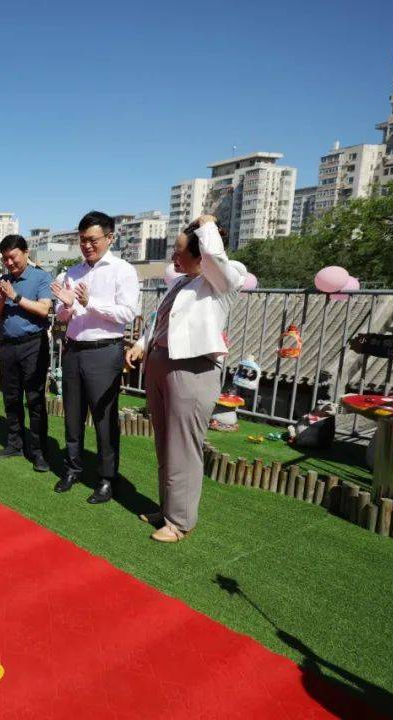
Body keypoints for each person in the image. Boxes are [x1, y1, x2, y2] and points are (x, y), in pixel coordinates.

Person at [125, 216, 243, 542]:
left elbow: (218, 262)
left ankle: (180, 522)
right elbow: (158, 322)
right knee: (165, 443)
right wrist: (141, 345)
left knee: (183, 447)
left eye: (179, 252)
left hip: (192, 370)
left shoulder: (221, 279)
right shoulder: (180, 283)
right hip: (161, 364)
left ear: (201, 253)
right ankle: (167, 510)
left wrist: (207, 225)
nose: (173, 258)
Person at [51, 211, 140, 504]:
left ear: (109, 238)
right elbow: (63, 315)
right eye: (82, 240)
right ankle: (73, 468)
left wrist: (91, 303)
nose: (87, 245)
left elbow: (127, 313)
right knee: (72, 415)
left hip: (104, 351)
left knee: (104, 418)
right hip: (74, 349)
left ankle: (105, 478)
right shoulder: (71, 272)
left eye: (93, 240)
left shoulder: (122, 270)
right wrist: (65, 306)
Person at [0, 234, 54, 472]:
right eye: (5, 259)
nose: (9, 263)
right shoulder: (3, 280)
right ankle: (15, 443)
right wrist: (3, 298)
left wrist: (16, 296)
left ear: (26, 253)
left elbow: (44, 309)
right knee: (11, 397)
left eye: (13, 257)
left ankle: (38, 452)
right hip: (7, 346)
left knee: (35, 399)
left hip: (33, 345)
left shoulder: (41, 277)